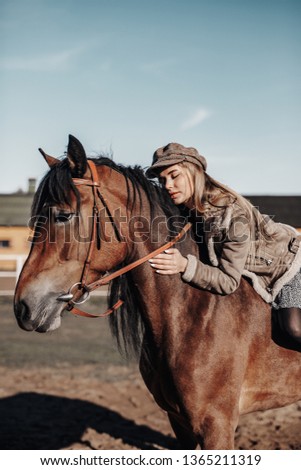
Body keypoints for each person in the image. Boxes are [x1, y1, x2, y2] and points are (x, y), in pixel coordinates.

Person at [146, 143, 301, 347]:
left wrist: (185, 266)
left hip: (291, 265)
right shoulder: (190, 210)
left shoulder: (232, 216)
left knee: (294, 328)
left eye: (175, 176)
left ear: (194, 173)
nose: (167, 185)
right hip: (263, 274)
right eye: (163, 179)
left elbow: (228, 281)